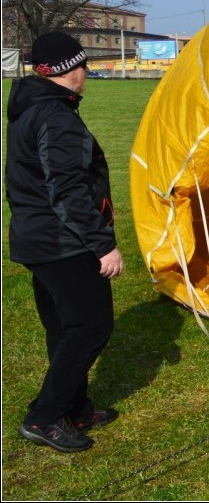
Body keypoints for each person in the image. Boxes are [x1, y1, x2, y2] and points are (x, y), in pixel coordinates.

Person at [5, 31, 123, 453]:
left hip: (37, 237)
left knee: (63, 327)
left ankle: (75, 407)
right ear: (68, 70)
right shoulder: (55, 116)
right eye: (82, 65)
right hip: (63, 242)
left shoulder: (30, 107)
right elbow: (68, 188)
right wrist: (103, 244)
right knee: (91, 327)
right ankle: (44, 416)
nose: (86, 73)